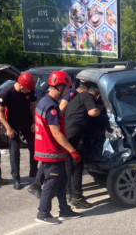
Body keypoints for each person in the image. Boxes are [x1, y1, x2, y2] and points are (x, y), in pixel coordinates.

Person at [34, 71, 83, 225]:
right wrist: (72, 150)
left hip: (50, 150)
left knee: (61, 181)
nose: (69, 91)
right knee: (52, 183)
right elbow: (56, 133)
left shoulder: (44, 101)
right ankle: (43, 213)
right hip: (51, 151)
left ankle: (64, 209)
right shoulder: (51, 107)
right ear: (60, 87)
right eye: (67, 88)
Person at [27, 83, 88, 199]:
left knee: (49, 166)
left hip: (45, 143)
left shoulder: (44, 100)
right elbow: (61, 110)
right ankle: (43, 208)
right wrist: (72, 150)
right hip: (51, 142)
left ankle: (37, 186)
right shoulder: (67, 97)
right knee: (52, 174)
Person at [0, 72, 38, 190]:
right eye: (27, 89)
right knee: (14, 151)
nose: (29, 92)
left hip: (27, 122)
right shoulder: (7, 93)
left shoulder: (30, 90)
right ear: (20, 85)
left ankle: (34, 173)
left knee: (34, 147)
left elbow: (34, 106)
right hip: (12, 124)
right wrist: (8, 128)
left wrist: (34, 122)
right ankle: (16, 178)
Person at [65, 86, 104, 209]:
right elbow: (92, 112)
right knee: (77, 166)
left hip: (68, 136)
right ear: (97, 96)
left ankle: (70, 193)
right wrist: (100, 109)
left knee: (70, 166)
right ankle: (77, 198)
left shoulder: (77, 98)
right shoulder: (87, 96)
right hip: (76, 137)